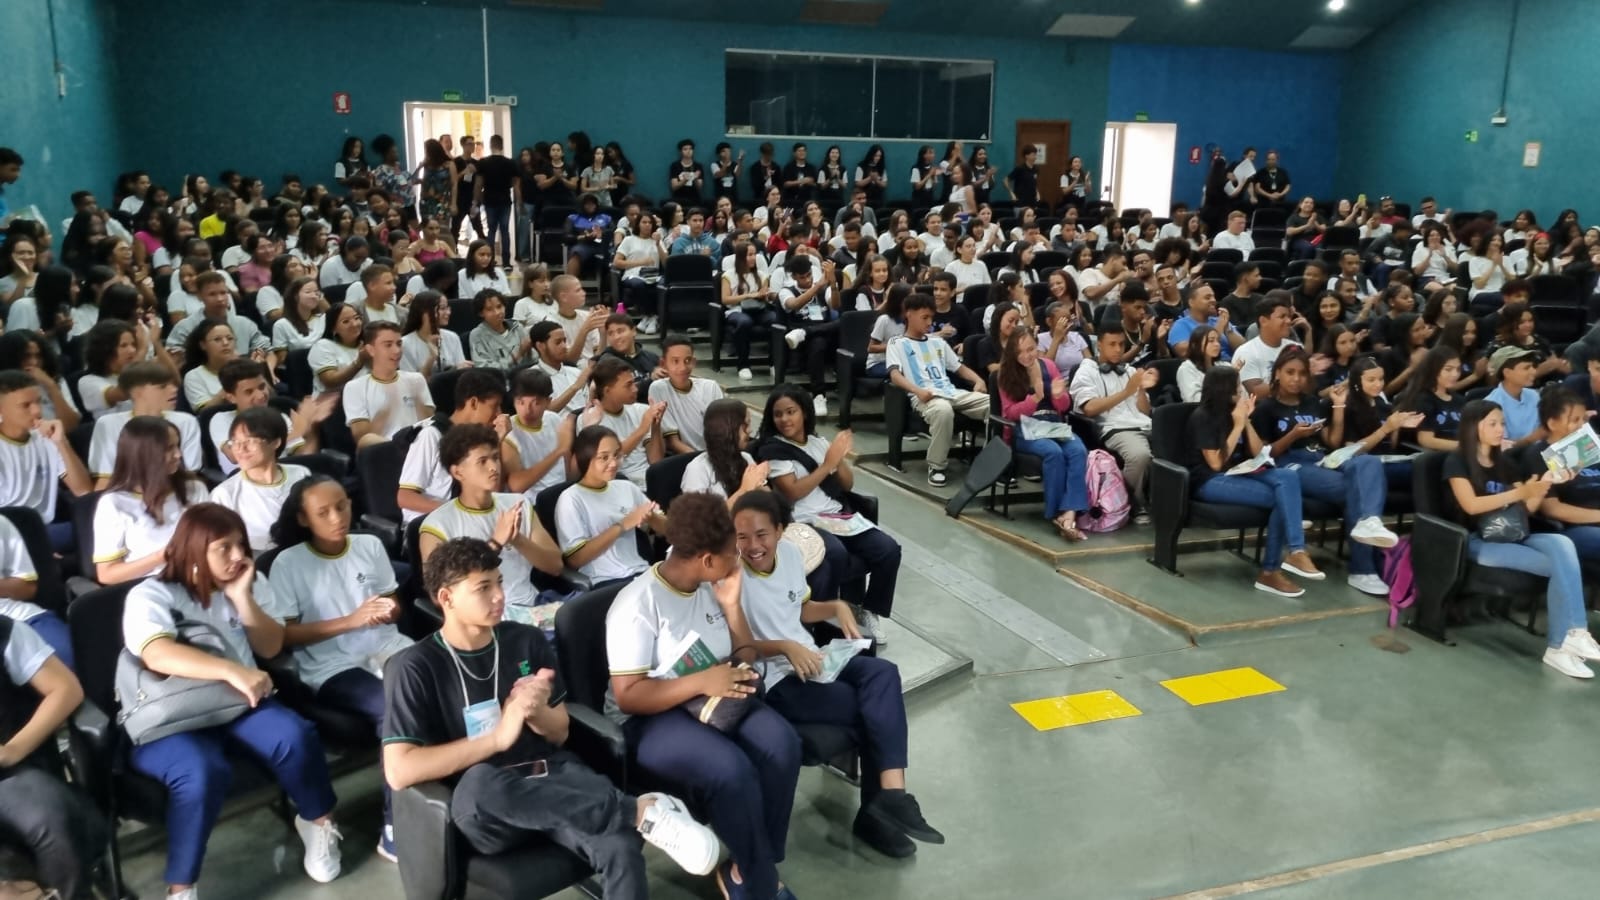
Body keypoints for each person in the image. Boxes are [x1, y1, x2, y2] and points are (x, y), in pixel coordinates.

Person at [385, 536, 719, 900]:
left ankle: (631, 816)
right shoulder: (414, 667)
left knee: (619, 847)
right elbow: (399, 770)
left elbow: (559, 733)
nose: (499, 595)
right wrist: (497, 738)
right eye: (483, 588)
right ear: (446, 598)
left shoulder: (525, 640)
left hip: (551, 776)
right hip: (489, 805)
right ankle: (638, 811)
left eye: (499, 582)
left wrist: (537, 711)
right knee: (480, 783)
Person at [123, 504, 344, 897]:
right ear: (193, 549)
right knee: (200, 773)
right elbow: (156, 653)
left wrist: (242, 599)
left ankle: (317, 822)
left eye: (241, 545)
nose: (239, 556)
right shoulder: (151, 594)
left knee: (294, 736)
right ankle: (181, 885)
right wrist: (232, 670)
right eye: (224, 548)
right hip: (174, 714)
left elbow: (271, 645)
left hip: (237, 705)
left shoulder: (244, 582)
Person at [605, 492, 803, 900]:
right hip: (649, 717)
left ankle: (751, 863)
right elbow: (628, 696)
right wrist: (701, 682)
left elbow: (746, 655)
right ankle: (761, 882)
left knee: (783, 744)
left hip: (712, 698)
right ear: (707, 559)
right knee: (730, 771)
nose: (740, 557)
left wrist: (731, 607)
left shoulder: (712, 585)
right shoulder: (636, 605)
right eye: (732, 551)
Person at [731, 491, 944, 860]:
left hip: (812, 658)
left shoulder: (791, 557)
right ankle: (877, 815)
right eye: (742, 536)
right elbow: (739, 647)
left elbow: (800, 608)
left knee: (884, 675)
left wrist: (836, 606)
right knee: (872, 711)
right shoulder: (730, 576)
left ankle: (893, 796)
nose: (753, 545)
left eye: (762, 534)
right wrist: (784, 647)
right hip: (778, 678)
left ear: (781, 531)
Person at [265, 476, 413, 860]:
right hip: (332, 664)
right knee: (391, 709)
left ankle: (443, 796)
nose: (337, 517)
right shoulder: (288, 563)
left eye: (342, 506)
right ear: (303, 518)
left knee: (438, 687)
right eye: (323, 512)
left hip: (384, 645)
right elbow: (285, 635)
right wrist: (351, 620)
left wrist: (388, 610)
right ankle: (396, 824)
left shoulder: (368, 545)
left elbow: (390, 599)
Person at [1445, 401, 1600, 677]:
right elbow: (1471, 506)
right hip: (1479, 539)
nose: (1499, 429)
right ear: (1473, 427)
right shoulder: (1457, 461)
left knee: (1563, 546)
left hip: (1516, 533)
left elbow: (1526, 510)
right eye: (1492, 423)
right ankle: (1559, 646)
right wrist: (1520, 493)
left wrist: (1544, 485)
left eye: (1502, 423)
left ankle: (1572, 636)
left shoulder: (1505, 464)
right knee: (1560, 568)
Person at [757, 386, 901, 643]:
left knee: (888, 549)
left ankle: (868, 610)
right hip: (805, 522)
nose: (785, 419)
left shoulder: (819, 442)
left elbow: (847, 485)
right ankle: (826, 617)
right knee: (836, 553)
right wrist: (826, 465)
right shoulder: (774, 450)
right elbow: (791, 493)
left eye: (791, 412)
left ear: (804, 413)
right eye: (778, 414)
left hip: (837, 517)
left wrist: (838, 460)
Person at [1252, 347, 1399, 596]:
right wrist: (1293, 435)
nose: (1296, 379)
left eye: (1301, 373)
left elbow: (1332, 441)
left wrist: (1338, 408)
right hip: (1290, 464)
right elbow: (1263, 455)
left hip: (1322, 458)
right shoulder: (1266, 408)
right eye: (1290, 372)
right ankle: (1363, 569)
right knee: (1355, 490)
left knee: (1368, 464)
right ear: (1277, 373)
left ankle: (1370, 524)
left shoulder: (1312, 402)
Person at [1186, 367, 1323, 597]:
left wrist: (1247, 421)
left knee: (1287, 476)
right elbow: (1216, 464)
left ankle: (1296, 552)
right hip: (1209, 481)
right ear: (1224, 389)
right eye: (1236, 386)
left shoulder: (1236, 412)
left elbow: (1261, 453)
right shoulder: (1203, 416)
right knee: (1281, 499)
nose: (1240, 390)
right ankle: (1270, 571)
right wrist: (1238, 424)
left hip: (1240, 471)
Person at [0, 613, 106, 900]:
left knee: (52, 821)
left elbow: (66, 689)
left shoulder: (5, 632)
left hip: (15, 771)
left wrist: (11, 751)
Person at [419, 425, 563, 616]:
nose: (494, 467)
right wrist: (495, 544)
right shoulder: (436, 526)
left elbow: (555, 566)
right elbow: (439, 595)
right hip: (487, 617)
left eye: (495, 458)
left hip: (534, 607)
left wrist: (517, 539)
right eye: (482, 461)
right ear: (458, 472)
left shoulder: (518, 504)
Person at [92, 415, 209, 586]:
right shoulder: (113, 504)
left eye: (177, 446)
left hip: (201, 579)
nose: (178, 454)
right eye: (169, 448)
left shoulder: (194, 489)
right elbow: (107, 574)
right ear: (144, 455)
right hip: (151, 588)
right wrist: (162, 556)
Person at [884, 294, 988, 487]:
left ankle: (992, 461)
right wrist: (917, 391)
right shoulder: (896, 343)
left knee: (993, 404)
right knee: (943, 410)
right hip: (924, 396)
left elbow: (958, 367)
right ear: (909, 314)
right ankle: (937, 465)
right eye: (925, 317)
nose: (930, 322)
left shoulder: (938, 342)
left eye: (931, 317)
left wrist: (978, 379)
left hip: (951, 391)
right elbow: (895, 375)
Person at [997, 328, 1091, 540]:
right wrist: (1034, 399)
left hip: (1051, 423)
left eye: (1031, 349)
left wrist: (1058, 395)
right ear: (1013, 353)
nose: (1027, 355)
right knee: (1053, 452)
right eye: (1021, 351)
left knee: (1078, 450)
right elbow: (1010, 413)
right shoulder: (1006, 373)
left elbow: (1065, 405)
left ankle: (1070, 512)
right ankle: (1056, 512)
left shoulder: (1048, 365)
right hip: (1025, 427)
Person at [555, 425, 665, 585]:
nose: (613, 463)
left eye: (616, 455)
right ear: (585, 458)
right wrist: (622, 525)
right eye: (604, 457)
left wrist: (652, 519)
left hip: (641, 572)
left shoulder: (626, 487)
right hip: (605, 580)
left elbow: (668, 530)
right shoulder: (571, 498)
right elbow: (575, 560)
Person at [397, 368, 508, 523]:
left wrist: (497, 443)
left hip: (466, 518)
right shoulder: (431, 436)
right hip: (430, 523)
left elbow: (493, 491)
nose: (499, 413)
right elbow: (405, 497)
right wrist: (455, 510)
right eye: (494, 406)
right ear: (473, 403)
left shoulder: (480, 440)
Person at [1069, 330, 1156, 525]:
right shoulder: (1086, 370)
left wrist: (1141, 389)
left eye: (1121, 344)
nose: (1118, 349)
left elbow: (1145, 412)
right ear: (1099, 344)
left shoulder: (1131, 371)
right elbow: (1090, 408)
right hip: (1114, 428)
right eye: (1112, 344)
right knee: (1139, 455)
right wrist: (1127, 392)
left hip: (1143, 424)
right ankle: (1133, 503)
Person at [0, 371, 93, 548]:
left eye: (39, 402)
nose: (36, 411)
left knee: (101, 528)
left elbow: (83, 491)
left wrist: (61, 442)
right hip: (9, 535)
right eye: (25, 405)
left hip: (47, 528)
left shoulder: (46, 437)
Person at [86, 359, 203, 485]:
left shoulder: (186, 421)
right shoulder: (108, 425)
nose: (174, 390)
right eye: (163, 386)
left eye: (174, 385)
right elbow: (105, 478)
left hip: (174, 490)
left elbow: (190, 475)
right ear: (136, 392)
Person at [209, 408, 311, 552]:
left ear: (275, 442)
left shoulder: (300, 474)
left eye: (249, 441)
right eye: (235, 441)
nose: (240, 448)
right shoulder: (224, 494)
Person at [1526, 388, 1600, 563]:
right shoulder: (1538, 456)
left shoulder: (1590, 447)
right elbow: (1553, 509)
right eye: (1575, 420)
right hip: (1575, 529)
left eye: (1584, 419)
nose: (1582, 425)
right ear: (1552, 423)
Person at [579, 359, 666, 488]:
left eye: (634, 383)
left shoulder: (641, 410)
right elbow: (605, 461)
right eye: (628, 385)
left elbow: (655, 460)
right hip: (617, 483)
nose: (635, 389)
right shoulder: (589, 419)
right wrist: (642, 428)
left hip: (651, 480)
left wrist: (655, 425)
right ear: (608, 391)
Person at [345, 321, 434, 447]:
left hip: (419, 448)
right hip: (384, 451)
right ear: (371, 350)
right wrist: (389, 406)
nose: (397, 350)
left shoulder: (416, 379)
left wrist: (418, 400)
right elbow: (362, 439)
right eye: (388, 345)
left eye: (399, 344)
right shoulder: (355, 387)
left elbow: (431, 425)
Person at [502, 367, 574, 505]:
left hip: (564, 493)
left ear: (548, 401)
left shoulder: (553, 419)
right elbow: (517, 486)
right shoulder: (509, 433)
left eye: (535, 403)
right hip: (536, 503)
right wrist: (558, 452)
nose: (527, 410)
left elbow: (566, 464)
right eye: (521, 402)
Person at [648, 337, 726, 455]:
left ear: (694, 362)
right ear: (663, 364)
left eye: (687, 360)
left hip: (715, 454)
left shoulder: (711, 387)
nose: (683, 367)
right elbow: (673, 442)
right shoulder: (658, 389)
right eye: (675, 361)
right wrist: (701, 460)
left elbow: (722, 432)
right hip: (685, 457)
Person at [1233, 294, 1306, 397]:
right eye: (1282, 317)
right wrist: (1287, 381)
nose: (1289, 321)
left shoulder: (1296, 348)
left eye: (1289, 316)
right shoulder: (1246, 352)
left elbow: (1308, 387)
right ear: (1263, 321)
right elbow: (1255, 393)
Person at [1485, 346, 1546, 446]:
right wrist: (1532, 438)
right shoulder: (1492, 404)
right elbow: (1500, 447)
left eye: (1533, 366)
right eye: (1526, 368)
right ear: (1507, 373)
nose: (1533, 371)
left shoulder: (1534, 395)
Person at [528, 321, 591, 415]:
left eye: (564, 341)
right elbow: (542, 412)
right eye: (558, 342)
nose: (564, 346)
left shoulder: (576, 372)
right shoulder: (530, 377)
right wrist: (575, 387)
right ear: (540, 346)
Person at [400, 290, 468, 376]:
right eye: (442, 308)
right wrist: (431, 358)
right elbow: (412, 384)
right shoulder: (405, 343)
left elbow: (461, 372)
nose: (448, 312)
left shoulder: (452, 337)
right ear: (424, 312)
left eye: (447, 308)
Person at [1177, 325, 1222, 404]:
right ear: (1195, 345)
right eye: (1211, 341)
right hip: (1202, 412)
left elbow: (1242, 394)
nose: (1217, 344)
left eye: (1218, 340)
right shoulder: (1186, 369)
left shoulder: (1225, 365)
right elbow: (1194, 400)